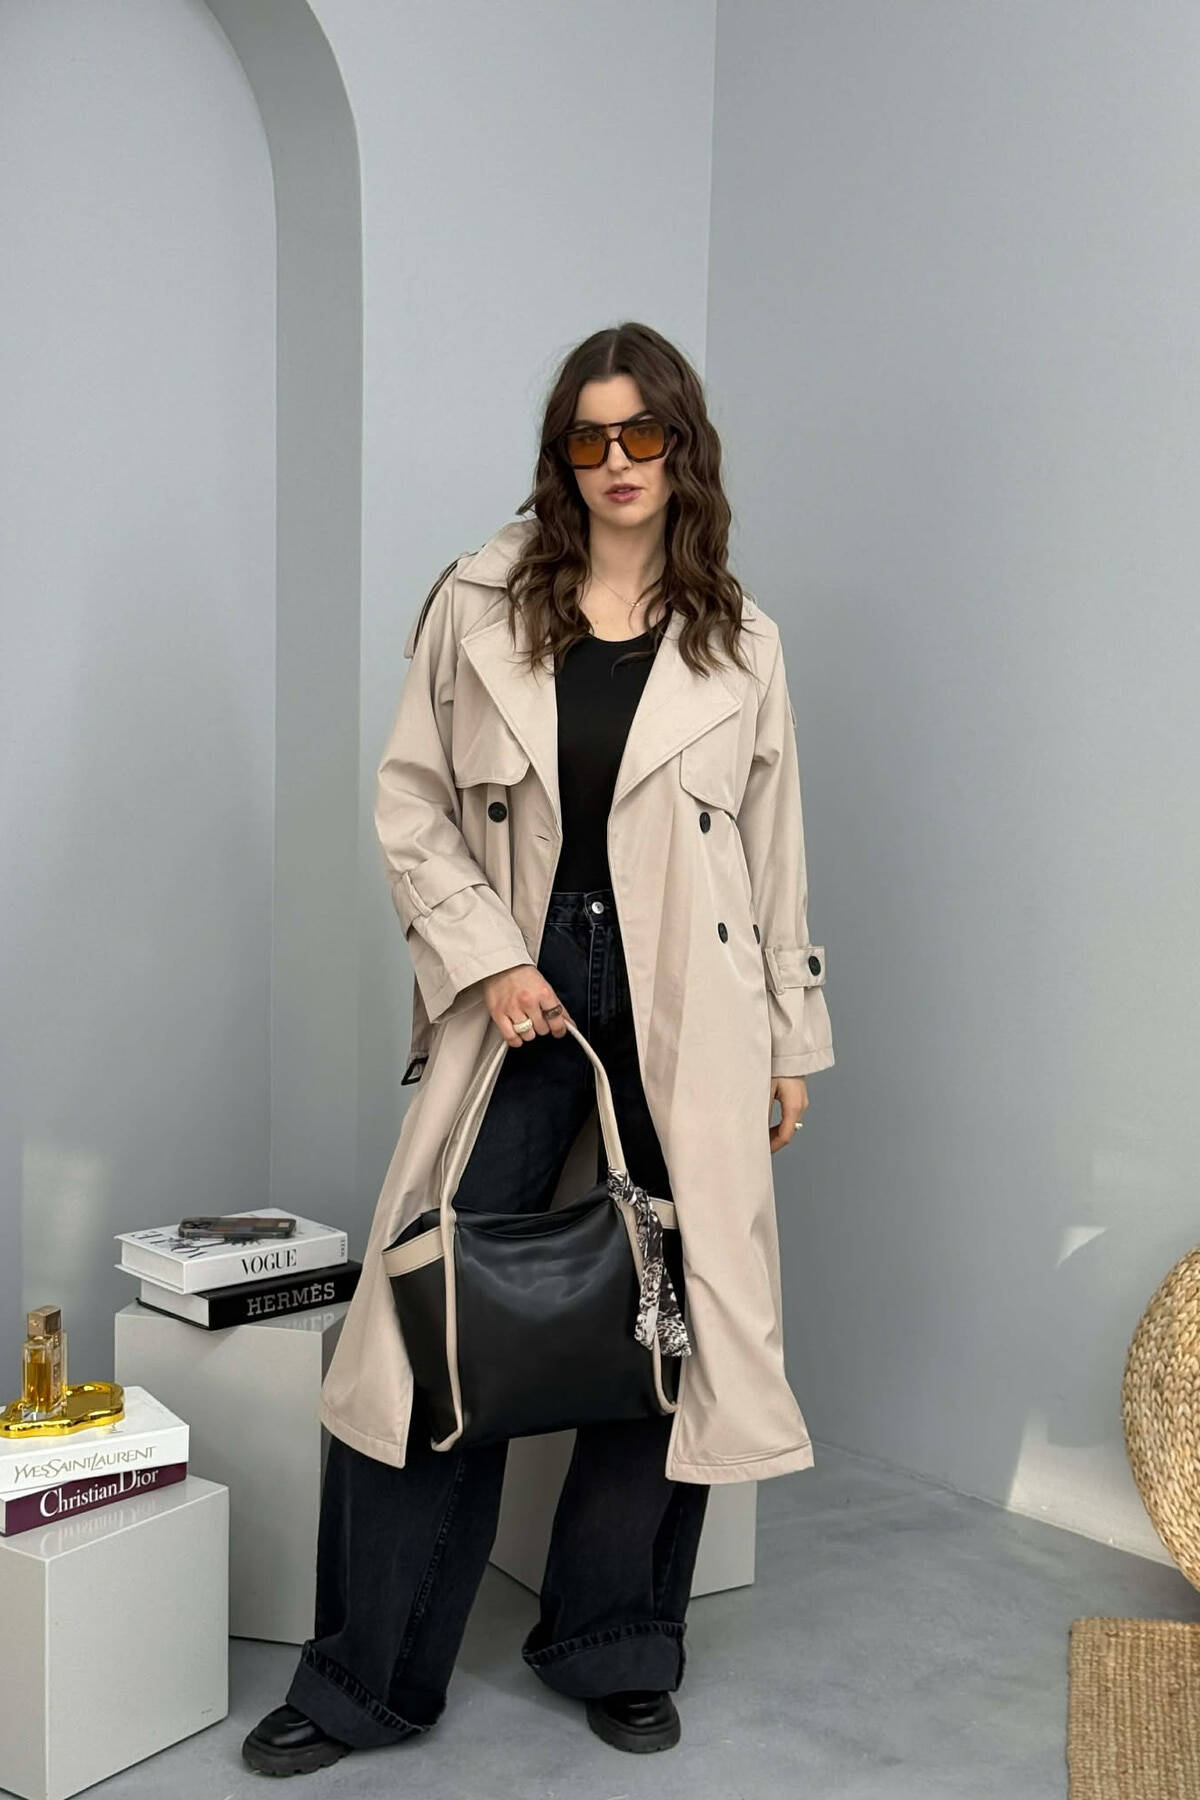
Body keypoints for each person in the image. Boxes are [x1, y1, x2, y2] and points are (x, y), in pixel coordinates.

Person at [242, 321, 834, 1777]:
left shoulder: (742, 639)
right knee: (431, 1315)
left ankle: (614, 1641)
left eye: (645, 434)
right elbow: (410, 801)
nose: (619, 461)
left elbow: (774, 858)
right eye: (590, 436)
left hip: (692, 998)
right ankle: (366, 1680)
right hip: (524, 976)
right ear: (561, 453)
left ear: (684, 446)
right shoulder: (481, 599)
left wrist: (790, 1041)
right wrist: (491, 958)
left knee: (669, 1317)